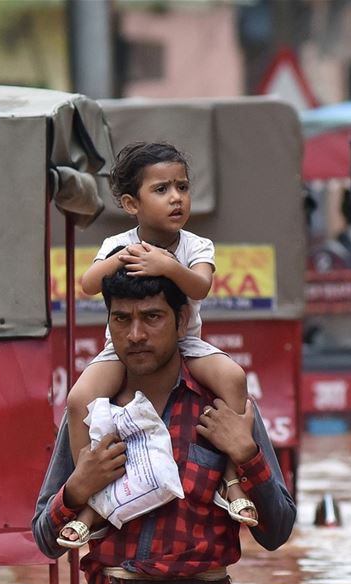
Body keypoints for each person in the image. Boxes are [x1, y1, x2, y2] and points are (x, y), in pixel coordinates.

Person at [31, 266, 296, 584]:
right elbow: (46, 540)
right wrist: (77, 490)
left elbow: (277, 532)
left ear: (181, 320)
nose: (136, 335)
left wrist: (246, 454)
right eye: (122, 319)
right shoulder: (94, 414)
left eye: (152, 317)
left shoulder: (223, 409)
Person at [61, 142, 254, 549]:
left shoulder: (196, 246)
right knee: (78, 399)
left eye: (182, 187)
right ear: (132, 204)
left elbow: (200, 286)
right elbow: (89, 284)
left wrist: (167, 265)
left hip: (188, 346)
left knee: (233, 377)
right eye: (162, 189)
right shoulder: (119, 243)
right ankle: (91, 493)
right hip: (119, 354)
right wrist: (123, 257)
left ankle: (232, 479)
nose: (176, 198)